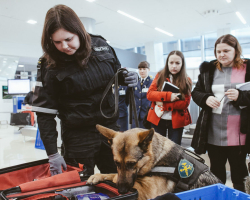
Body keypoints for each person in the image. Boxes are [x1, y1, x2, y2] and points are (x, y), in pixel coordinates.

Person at [32, 4, 138, 176]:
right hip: (78, 137)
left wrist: (125, 78)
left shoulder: (101, 45)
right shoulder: (49, 65)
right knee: (79, 188)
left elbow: (115, 74)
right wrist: (52, 153)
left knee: (120, 182)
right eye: (57, 42)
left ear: (79, 32)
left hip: (110, 131)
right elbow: (45, 113)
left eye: (68, 39)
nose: (64, 46)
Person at [191, 34, 250, 192]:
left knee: (239, 172)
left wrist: (241, 96)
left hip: (239, 133)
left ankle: (240, 195)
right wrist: (206, 98)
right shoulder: (209, 69)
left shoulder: (247, 67)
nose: (222, 54)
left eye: (226, 50)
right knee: (216, 171)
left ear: (236, 50)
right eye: (218, 51)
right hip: (213, 131)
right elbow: (196, 92)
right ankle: (219, 195)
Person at [147, 51, 192, 145]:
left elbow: (185, 103)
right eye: (171, 63)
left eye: (177, 63)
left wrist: (163, 104)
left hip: (176, 121)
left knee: (174, 149)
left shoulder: (187, 80)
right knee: (157, 148)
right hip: (158, 118)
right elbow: (150, 94)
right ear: (167, 63)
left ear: (182, 64)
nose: (174, 66)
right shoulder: (159, 75)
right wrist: (168, 96)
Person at [131, 61, 152, 128]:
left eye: (144, 69)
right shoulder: (135, 83)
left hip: (147, 115)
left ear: (148, 70)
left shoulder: (152, 83)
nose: (142, 71)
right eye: (140, 69)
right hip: (136, 115)